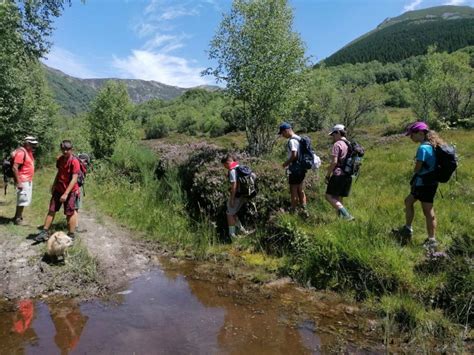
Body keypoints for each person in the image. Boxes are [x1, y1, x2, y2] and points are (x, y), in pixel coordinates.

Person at [392, 121, 443, 250]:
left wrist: (415, 168)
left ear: (420, 133)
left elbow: (418, 167)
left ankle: (431, 240)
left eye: (412, 135)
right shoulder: (433, 145)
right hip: (430, 182)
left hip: (424, 183)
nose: (411, 137)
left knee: (428, 210)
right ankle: (408, 228)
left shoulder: (423, 148)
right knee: (408, 201)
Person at [35, 140, 81, 242]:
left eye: (67, 149)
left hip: (70, 191)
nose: (65, 151)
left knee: (70, 213)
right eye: (63, 149)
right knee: (51, 210)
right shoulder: (60, 159)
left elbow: (74, 179)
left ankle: (71, 235)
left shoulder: (74, 161)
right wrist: (54, 184)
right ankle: (44, 232)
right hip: (58, 189)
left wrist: (66, 193)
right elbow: (59, 173)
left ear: (71, 149)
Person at [324, 124, 354, 221]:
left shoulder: (337, 144)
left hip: (338, 174)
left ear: (338, 133)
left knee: (328, 196)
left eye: (333, 134)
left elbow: (334, 162)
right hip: (348, 175)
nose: (332, 137)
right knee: (338, 197)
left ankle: (347, 215)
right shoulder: (349, 144)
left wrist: (328, 175)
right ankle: (340, 219)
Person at [278, 122, 308, 217]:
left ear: (287, 130)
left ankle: (293, 212)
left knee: (293, 190)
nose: (282, 135)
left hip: (295, 169)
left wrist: (285, 164)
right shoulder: (299, 138)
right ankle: (304, 210)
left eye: (282, 133)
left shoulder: (292, 141)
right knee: (300, 189)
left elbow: (294, 155)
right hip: (302, 168)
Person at [221, 154, 250, 239]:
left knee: (229, 213)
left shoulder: (232, 170)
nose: (225, 167)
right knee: (233, 212)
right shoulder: (239, 166)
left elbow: (234, 185)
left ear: (227, 162)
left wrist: (232, 199)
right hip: (244, 194)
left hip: (237, 195)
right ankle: (243, 230)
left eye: (224, 165)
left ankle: (232, 235)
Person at [12, 136, 39, 225]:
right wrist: (19, 182)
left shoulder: (28, 151)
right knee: (22, 199)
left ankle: (17, 216)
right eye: (32, 144)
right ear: (27, 143)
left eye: (34, 144)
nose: (33, 146)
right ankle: (18, 219)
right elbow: (15, 168)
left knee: (22, 200)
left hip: (27, 179)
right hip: (23, 180)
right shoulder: (21, 153)